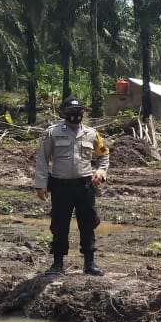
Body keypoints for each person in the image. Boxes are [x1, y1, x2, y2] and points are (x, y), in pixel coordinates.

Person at [34, 97, 110, 276]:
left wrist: (100, 172)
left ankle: (89, 263)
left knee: (88, 223)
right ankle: (57, 264)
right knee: (60, 224)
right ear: (63, 113)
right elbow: (42, 159)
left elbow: (104, 155)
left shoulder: (92, 134)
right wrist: (40, 185)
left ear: (83, 113)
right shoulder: (52, 133)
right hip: (60, 186)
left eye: (78, 112)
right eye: (70, 112)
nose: (75, 116)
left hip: (85, 185)